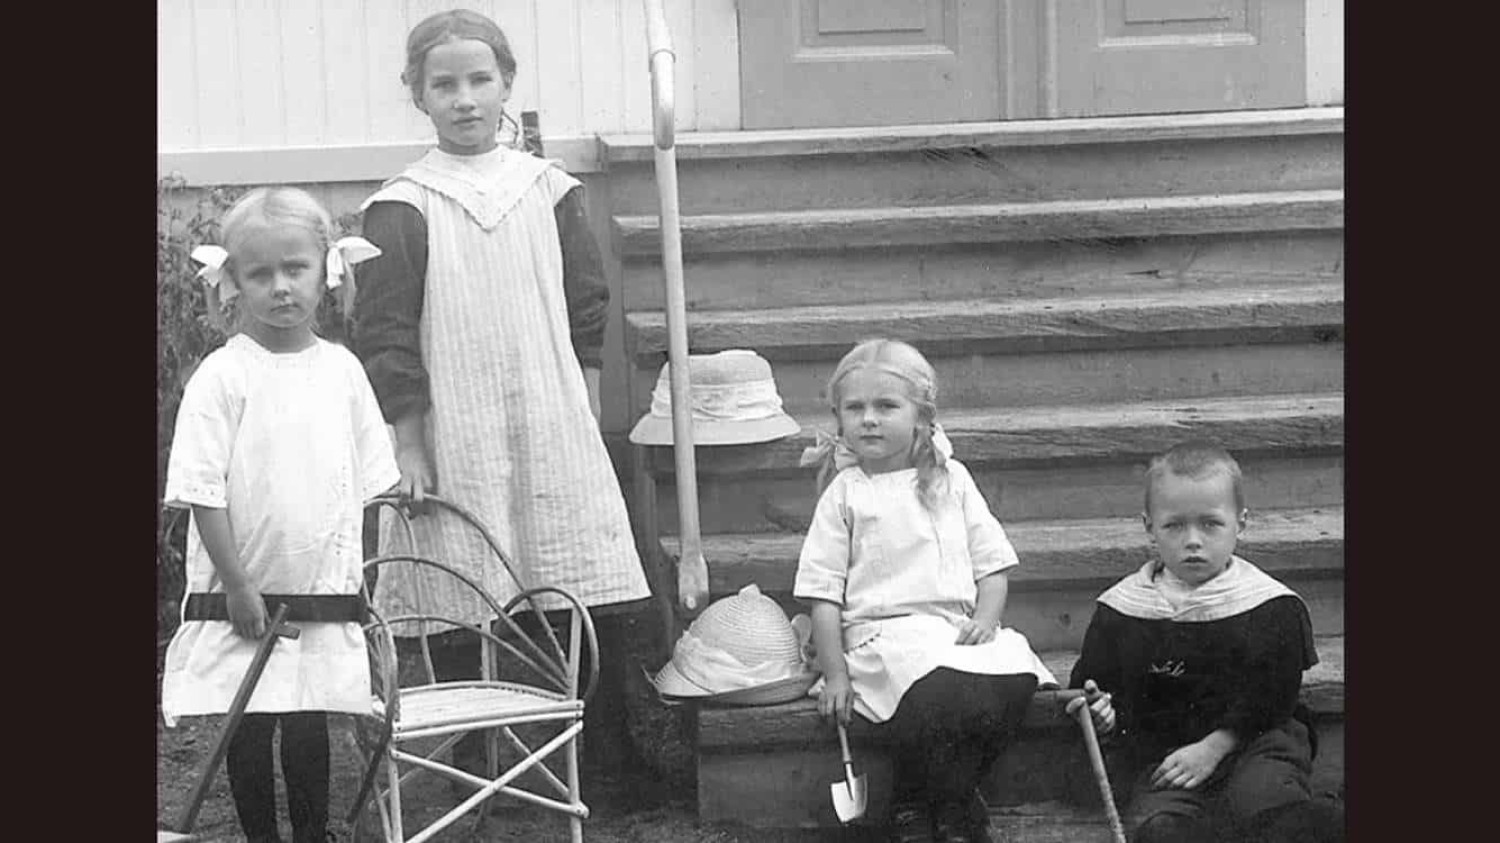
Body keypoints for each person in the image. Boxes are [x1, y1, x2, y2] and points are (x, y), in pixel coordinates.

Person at [351, 8, 651, 772]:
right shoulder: (402, 204)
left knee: (574, 575)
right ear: (416, 94)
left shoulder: (549, 189)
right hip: (456, 425)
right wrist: (410, 444)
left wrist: (580, 405)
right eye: (443, 84)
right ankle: (470, 756)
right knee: (462, 584)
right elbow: (386, 334)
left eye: (481, 80)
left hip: (550, 412)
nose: (465, 98)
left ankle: (602, 748)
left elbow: (588, 304)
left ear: (507, 83)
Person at [161, 187, 400, 843]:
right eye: (260, 273)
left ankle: (311, 832)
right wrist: (236, 584)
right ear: (233, 281)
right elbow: (202, 488)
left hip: (320, 585)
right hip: (247, 588)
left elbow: (364, 481)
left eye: (294, 268)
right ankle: (261, 835)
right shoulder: (224, 375)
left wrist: (358, 576)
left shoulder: (342, 370)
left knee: (307, 715)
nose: (280, 287)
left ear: (325, 271)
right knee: (251, 717)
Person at [794, 339, 1057, 843]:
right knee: (933, 691)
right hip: (884, 636)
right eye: (855, 408)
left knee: (1016, 673)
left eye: (886, 406)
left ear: (921, 416)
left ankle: (941, 797)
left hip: (953, 629)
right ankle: (935, 807)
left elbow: (992, 563)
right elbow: (823, 594)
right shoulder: (847, 493)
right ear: (839, 417)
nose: (869, 419)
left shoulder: (952, 479)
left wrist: (986, 616)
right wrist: (835, 674)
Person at [1069, 441, 1343, 843]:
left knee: (1267, 803)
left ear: (1240, 524)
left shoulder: (1269, 605)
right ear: (1149, 527)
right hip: (1166, 751)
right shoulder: (1122, 609)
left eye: (1210, 524)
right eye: (1174, 525)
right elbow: (1094, 682)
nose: (1193, 540)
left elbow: (1275, 694)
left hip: (1254, 739)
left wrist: (1216, 746)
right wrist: (1103, 712)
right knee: (1159, 826)